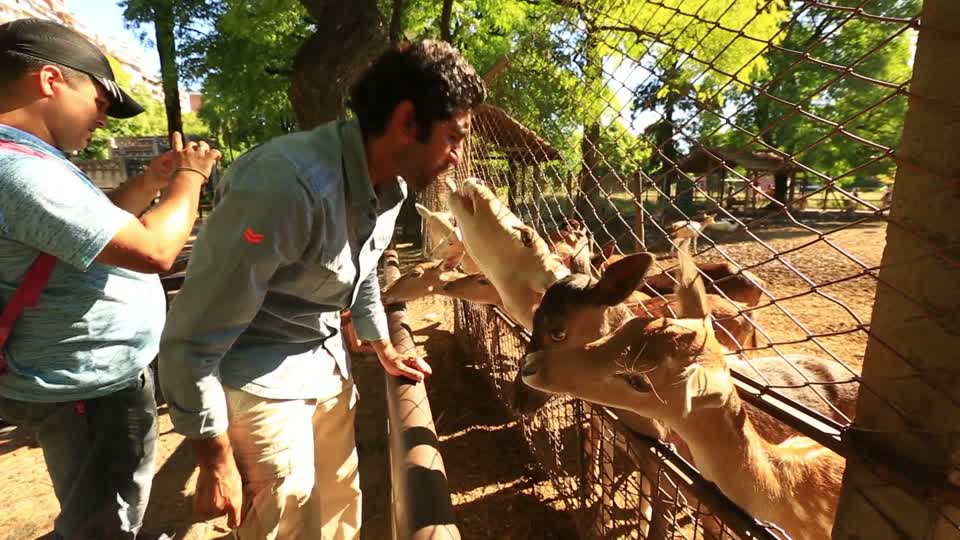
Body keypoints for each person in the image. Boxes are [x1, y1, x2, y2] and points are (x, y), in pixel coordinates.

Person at [158, 40, 486, 539]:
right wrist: (214, 454)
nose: (458, 157)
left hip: (327, 366)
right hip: (256, 377)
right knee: (286, 516)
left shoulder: (392, 185)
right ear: (406, 121)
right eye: (454, 137)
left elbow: (365, 265)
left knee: (338, 510)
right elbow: (191, 337)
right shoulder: (284, 186)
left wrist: (382, 345)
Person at [0, 18, 221, 539]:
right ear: (51, 80)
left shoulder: (31, 160)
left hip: (87, 379)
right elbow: (156, 250)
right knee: (102, 523)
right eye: (100, 101)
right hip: (86, 388)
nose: (103, 120)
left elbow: (91, 231)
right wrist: (191, 178)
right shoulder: (17, 168)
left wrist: (152, 180)